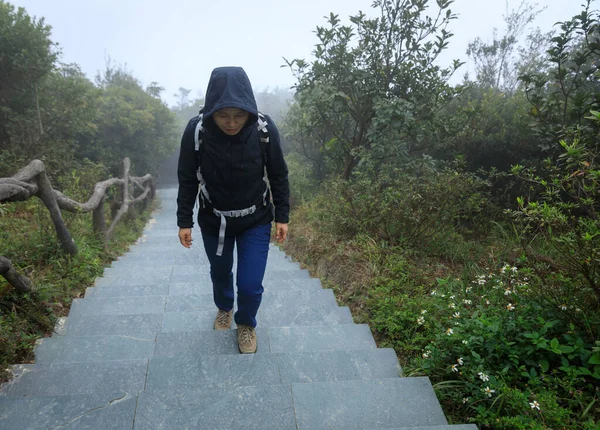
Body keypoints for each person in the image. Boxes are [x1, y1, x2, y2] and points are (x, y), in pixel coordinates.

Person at [176, 66, 290, 354]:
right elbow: (187, 177)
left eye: (239, 115)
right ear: (212, 109)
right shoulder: (197, 131)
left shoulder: (263, 129)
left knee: (250, 285)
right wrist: (184, 220)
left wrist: (282, 216)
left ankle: (246, 323)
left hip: (256, 218)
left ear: (249, 110)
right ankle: (225, 307)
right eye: (223, 115)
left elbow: (278, 174)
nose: (231, 123)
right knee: (220, 271)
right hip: (214, 220)